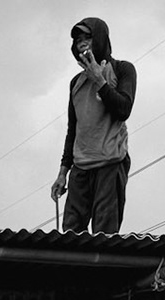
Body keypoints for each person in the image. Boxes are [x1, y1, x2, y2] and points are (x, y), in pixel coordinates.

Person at [49, 17, 137, 234]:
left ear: (99, 38)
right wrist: (63, 173)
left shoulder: (123, 69)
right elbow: (73, 130)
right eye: (78, 39)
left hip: (110, 162)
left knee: (104, 234)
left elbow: (123, 110)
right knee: (70, 233)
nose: (81, 42)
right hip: (81, 167)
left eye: (87, 36)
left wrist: (100, 81)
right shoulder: (76, 83)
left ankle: (103, 269)